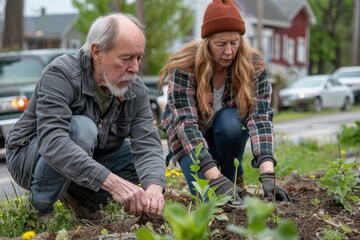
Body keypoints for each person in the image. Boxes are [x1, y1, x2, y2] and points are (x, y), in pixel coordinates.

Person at [5, 12, 166, 222]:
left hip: (90, 156)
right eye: (126, 58)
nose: (135, 68)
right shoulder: (61, 75)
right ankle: (39, 209)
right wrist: (114, 183)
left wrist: (154, 188)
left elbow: (147, 145)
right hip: (29, 159)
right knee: (82, 129)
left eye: (139, 58)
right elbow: (53, 142)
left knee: (140, 161)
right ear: (97, 52)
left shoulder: (136, 90)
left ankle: (82, 202)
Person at [158, 0, 292, 204]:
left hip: (225, 132)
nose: (229, 51)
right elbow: (186, 125)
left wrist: (268, 174)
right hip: (190, 140)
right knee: (208, 199)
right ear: (207, 41)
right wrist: (215, 178)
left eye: (234, 43)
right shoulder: (184, 66)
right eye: (221, 44)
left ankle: (233, 181)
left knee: (231, 124)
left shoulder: (253, 66)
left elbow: (260, 118)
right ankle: (223, 183)